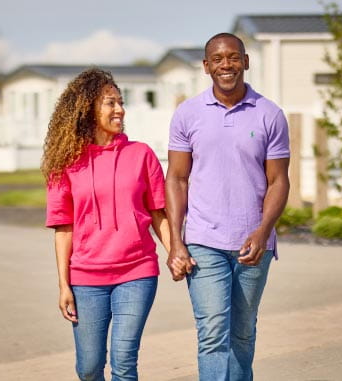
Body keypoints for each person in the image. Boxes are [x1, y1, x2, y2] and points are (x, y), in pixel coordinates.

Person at [165, 33, 290, 381]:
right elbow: (176, 179)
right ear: (206, 66)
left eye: (233, 57)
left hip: (253, 243)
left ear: (246, 62)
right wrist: (176, 241)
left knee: (243, 332)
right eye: (218, 59)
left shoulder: (270, 114)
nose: (226, 65)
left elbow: (279, 181)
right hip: (204, 240)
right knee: (212, 334)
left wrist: (263, 230)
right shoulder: (187, 114)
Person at [41, 67, 170, 381]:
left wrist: (176, 252)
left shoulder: (141, 155)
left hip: (136, 273)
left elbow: (159, 214)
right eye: (110, 103)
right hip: (86, 279)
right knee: (88, 368)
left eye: (120, 102)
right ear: (87, 109)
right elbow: (63, 228)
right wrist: (64, 285)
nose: (120, 109)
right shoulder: (66, 162)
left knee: (124, 362)